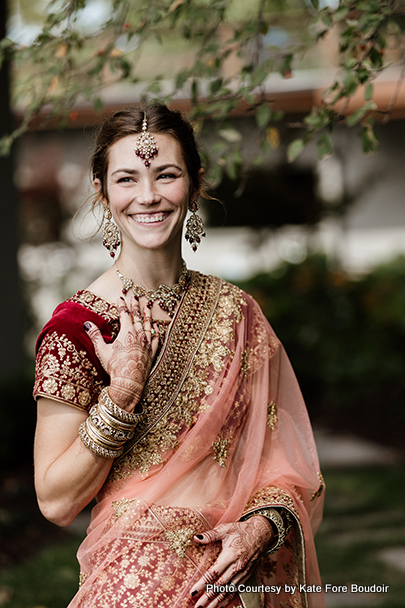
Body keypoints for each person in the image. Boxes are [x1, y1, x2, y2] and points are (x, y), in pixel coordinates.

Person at [33, 104, 325, 608]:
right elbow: (55, 500)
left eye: (166, 174)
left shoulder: (237, 314)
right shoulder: (77, 329)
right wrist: (122, 395)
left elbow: (286, 465)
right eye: (127, 178)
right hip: (128, 587)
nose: (148, 196)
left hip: (225, 584)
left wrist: (260, 528)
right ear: (103, 192)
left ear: (194, 184)